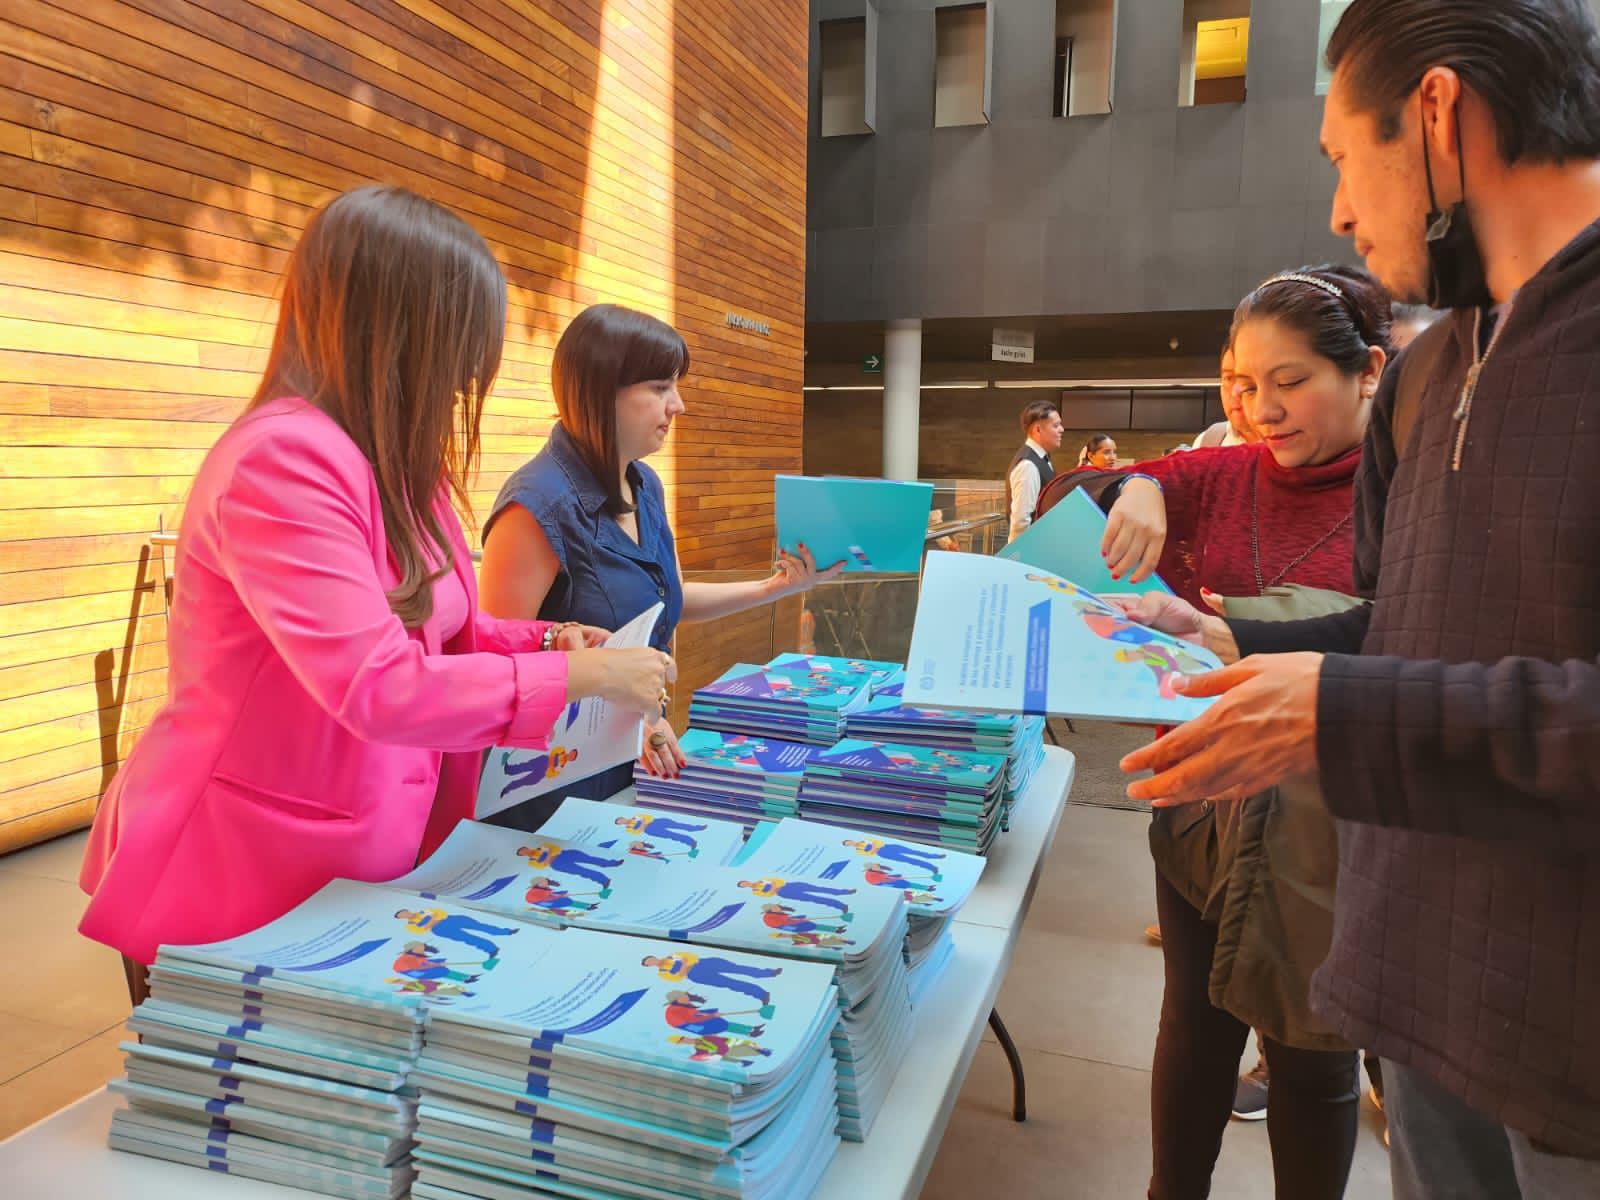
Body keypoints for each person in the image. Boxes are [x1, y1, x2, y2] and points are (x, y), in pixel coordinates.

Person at [1114, 3, 1600, 1195]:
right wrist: (1224, 636)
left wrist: (1339, 716)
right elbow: (1402, 630)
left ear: (1436, 112)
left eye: (1342, 156)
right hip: (1417, 990)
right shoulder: (1435, 372)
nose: (1337, 209)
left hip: (1567, 1046)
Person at [75, 187, 672, 1001]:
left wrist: (544, 641)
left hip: (364, 851)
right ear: (400, 332)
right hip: (246, 862)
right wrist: (583, 679)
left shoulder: (391, 462)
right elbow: (377, 681)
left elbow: (440, 632)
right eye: (463, 345)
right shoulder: (282, 461)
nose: (468, 373)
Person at [1040, 264, 1393, 1200]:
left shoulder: (1407, 491)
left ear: (1368, 373)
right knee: (1193, 1029)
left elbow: (1405, 640)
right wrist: (1135, 486)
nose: (1259, 410)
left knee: (1313, 1052)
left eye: (1289, 382)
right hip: (1207, 799)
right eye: (1239, 385)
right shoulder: (1223, 471)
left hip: (1331, 825)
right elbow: (1057, 505)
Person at [477, 304, 841, 828]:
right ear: (600, 393)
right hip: (545, 787)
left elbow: (663, 600)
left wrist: (773, 588)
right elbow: (502, 666)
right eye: (659, 388)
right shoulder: (536, 508)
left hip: (629, 765)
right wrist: (638, 721)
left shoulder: (644, 484)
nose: (679, 405)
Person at [1005, 400, 1064, 542]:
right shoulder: (1028, 465)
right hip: (1030, 550)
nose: (1062, 429)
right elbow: (1021, 521)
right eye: (1056, 425)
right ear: (1038, 430)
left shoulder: (1042, 458)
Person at [1193, 344, 1259, 448]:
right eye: (1228, 378)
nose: (1235, 392)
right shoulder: (1207, 442)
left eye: (1247, 378)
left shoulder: (1288, 448)